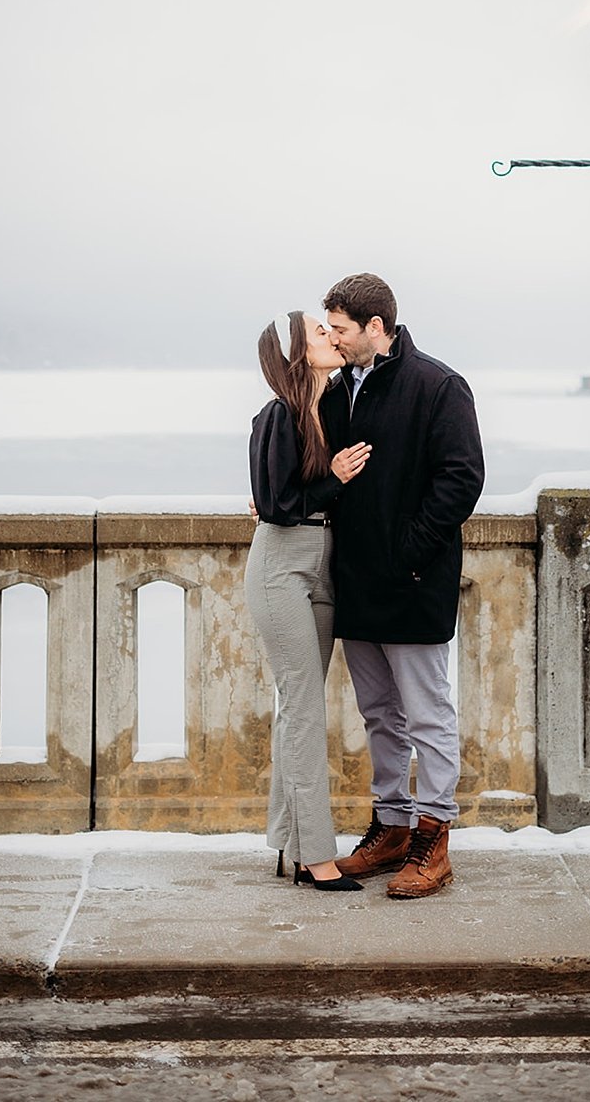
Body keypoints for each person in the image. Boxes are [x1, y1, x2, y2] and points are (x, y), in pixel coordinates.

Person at [319, 273, 485, 899]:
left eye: (340, 328)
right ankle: (390, 828)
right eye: (328, 328)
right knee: (379, 715)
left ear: (376, 328)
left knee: (428, 715)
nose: (332, 338)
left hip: (414, 582)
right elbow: (321, 467)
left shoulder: (437, 385)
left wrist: (409, 552)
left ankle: (433, 838)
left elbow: (462, 478)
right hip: (355, 585)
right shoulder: (336, 391)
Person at [245, 312, 370, 891]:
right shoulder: (278, 415)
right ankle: (316, 856)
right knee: (303, 707)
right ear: (300, 352)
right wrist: (333, 480)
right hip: (281, 565)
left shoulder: (332, 406)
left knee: (299, 705)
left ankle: (289, 843)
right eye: (321, 333)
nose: (332, 337)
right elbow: (273, 501)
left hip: (325, 561)